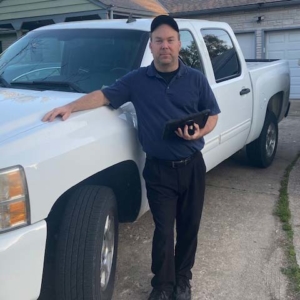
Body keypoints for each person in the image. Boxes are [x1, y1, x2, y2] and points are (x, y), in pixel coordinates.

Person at [43, 15, 220, 300]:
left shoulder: (196, 79)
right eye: (159, 41)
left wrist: (201, 129)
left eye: (170, 40)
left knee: (189, 228)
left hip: (192, 167)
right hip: (159, 169)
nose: (165, 46)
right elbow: (103, 95)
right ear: (151, 46)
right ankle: (162, 286)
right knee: (164, 231)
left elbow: (212, 114)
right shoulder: (137, 80)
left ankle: (183, 280)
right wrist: (71, 106)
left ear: (179, 44)